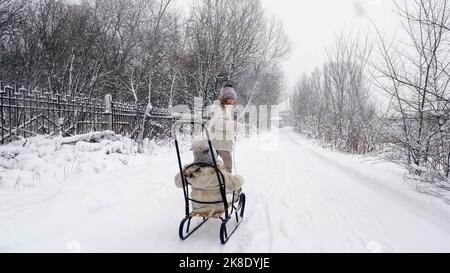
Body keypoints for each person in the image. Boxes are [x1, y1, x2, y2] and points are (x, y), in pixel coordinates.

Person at [175, 140, 244, 217]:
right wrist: (240, 178)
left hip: (197, 206)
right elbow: (234, 184)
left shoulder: (189, 173)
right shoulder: (219, 173)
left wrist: (183, 171)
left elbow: (178, 183)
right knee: (234, 191)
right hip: (217, 206)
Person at [208, 83, 238, 173]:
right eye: (230, 98)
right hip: (220, 143)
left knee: (214, 167)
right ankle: (227, 185)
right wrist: (234, 125)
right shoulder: (219, 109)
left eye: (233, 98)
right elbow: (218, 124)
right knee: (227, 167)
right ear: (225, 99)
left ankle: (219, 184)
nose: (232, 101)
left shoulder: (226, 109)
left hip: (222, 142)